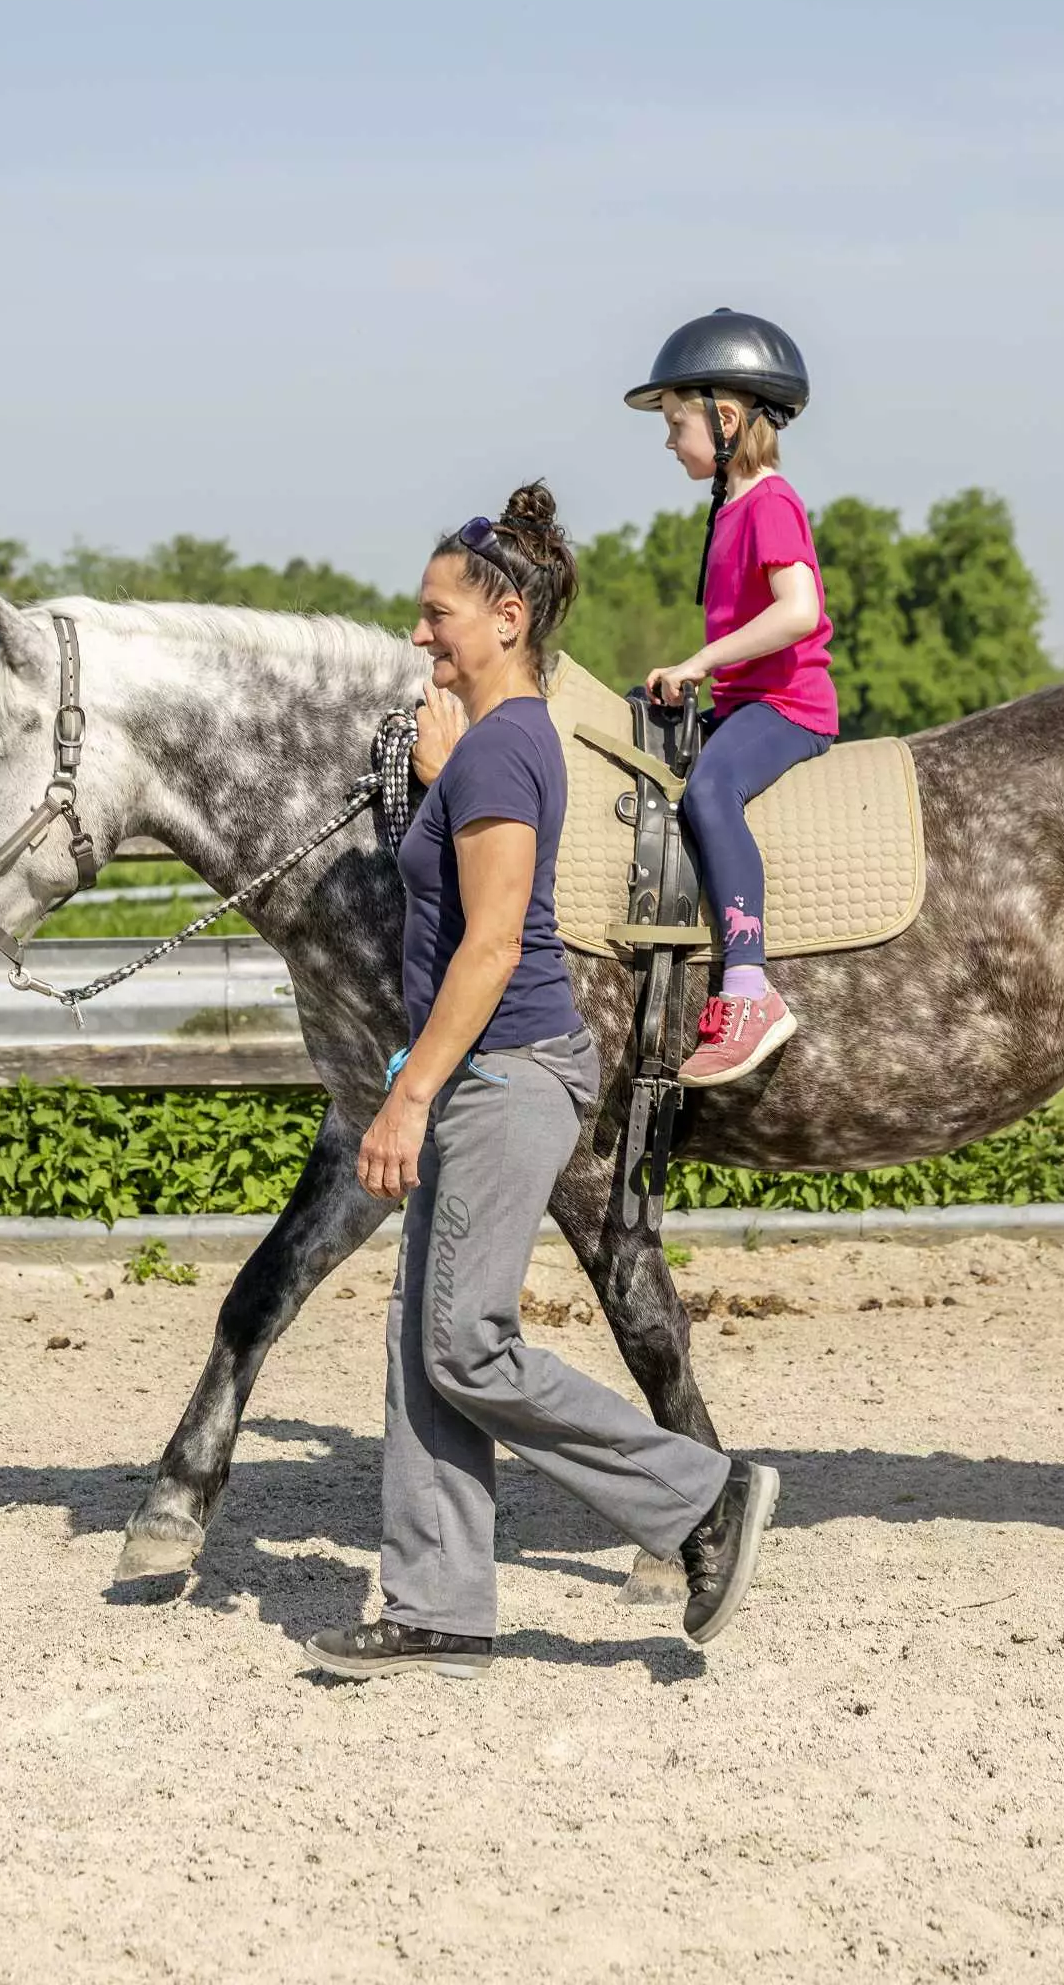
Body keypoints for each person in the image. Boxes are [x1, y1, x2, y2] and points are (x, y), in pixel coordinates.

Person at [305, 483, 780, 1682]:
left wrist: (408, 1092)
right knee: (425, 1344)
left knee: (466, 1340)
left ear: (507, 615)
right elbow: (449, 907)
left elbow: (496, 942)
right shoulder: (486, 745)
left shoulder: (512, 748)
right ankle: (438, 1609)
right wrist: (431, 781)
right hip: (478, 1066)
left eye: (436, 613)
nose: (419, 633)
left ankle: (703, 1498)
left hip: (508, 1071)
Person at [629, 309, 836, 1088]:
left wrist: (700, 661)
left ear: (723, 420)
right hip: (745, 702)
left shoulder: (770, 504)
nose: (669, 440)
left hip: (789, 708)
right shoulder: (731, 508)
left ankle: (750, 989)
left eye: (676, 422)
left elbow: (799, 611)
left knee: (710, 791)